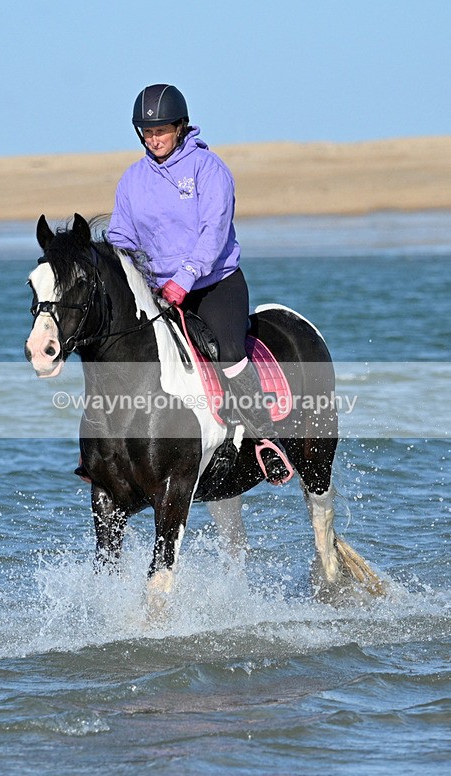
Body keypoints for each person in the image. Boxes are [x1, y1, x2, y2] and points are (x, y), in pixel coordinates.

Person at [107, 83, 293, 485]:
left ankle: (266, 439)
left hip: (214, 284)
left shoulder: (209, 171)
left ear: (181, 127)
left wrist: (184, 279)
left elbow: (213, 233)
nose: (154, 139)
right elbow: (121, 236)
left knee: (227, 351)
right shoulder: (133, 180)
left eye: (162, 131)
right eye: (147, 132)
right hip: (158, 290)